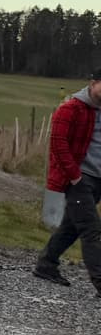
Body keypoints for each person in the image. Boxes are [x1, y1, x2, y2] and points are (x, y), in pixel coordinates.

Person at [33, 68, 101, 295]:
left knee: (72, 226)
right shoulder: (71, 108)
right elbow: (58, 144)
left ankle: (46, 264)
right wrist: (75, 177)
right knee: (91, 230)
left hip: (97, 179)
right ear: (93, 83)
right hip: (79, 180)